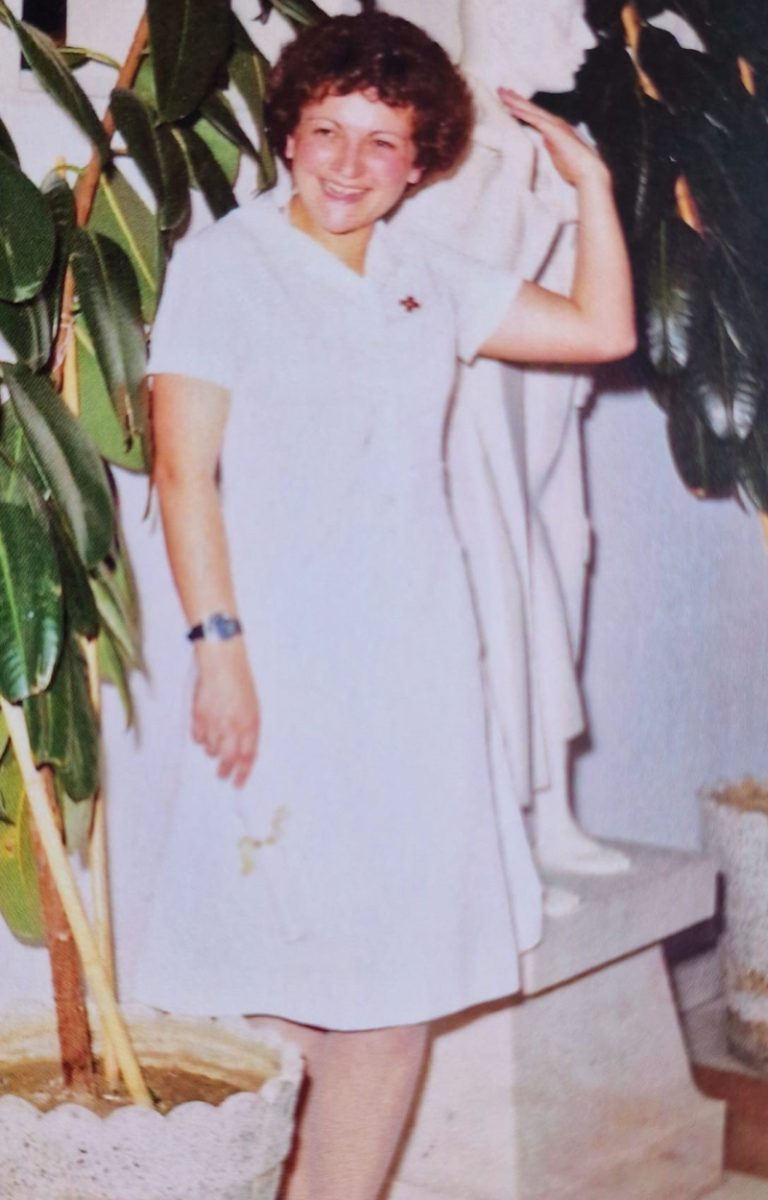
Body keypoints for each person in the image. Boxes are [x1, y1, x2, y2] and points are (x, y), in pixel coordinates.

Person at [137, 12, 634, 1199]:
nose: (348, 165)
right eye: (327, 131)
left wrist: (592, 187)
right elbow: (182, 472)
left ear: (419, 163)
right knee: (283, 982)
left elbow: (602, 329)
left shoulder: (429, 275)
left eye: (382, 142)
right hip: (276, 668)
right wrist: (220, 651)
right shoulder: (226, 265)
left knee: (397, 988)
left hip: (417, 672)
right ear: (288, 135)